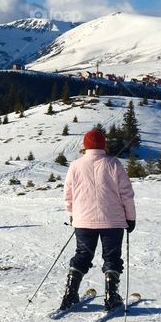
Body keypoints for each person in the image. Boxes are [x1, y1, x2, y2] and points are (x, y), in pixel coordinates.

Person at [59, 128, 137, 311]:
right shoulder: (114, 163)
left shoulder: (75, 165)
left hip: (83, 221)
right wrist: (130, 218)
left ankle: (70, 294)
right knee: (112, 257)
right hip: (113, 222)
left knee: (82, 255)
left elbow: (68, 194)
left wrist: (73, 214)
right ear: (104, 144)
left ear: (85, 146)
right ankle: (111, 297)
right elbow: (126, 194)